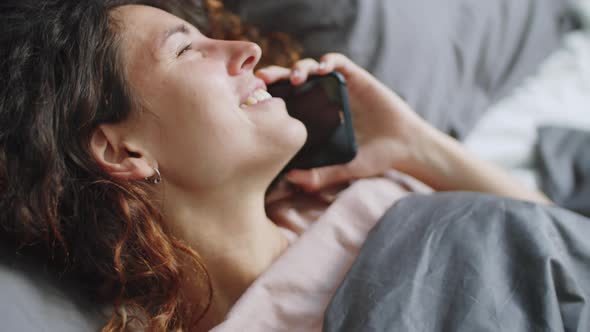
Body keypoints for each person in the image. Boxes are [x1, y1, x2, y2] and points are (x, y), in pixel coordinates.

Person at [0, 0, 550, 331]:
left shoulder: (345, 191)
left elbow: (557, 244)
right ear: (122, 150)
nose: (246, 50)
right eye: (187, 51)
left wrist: (416, 143)